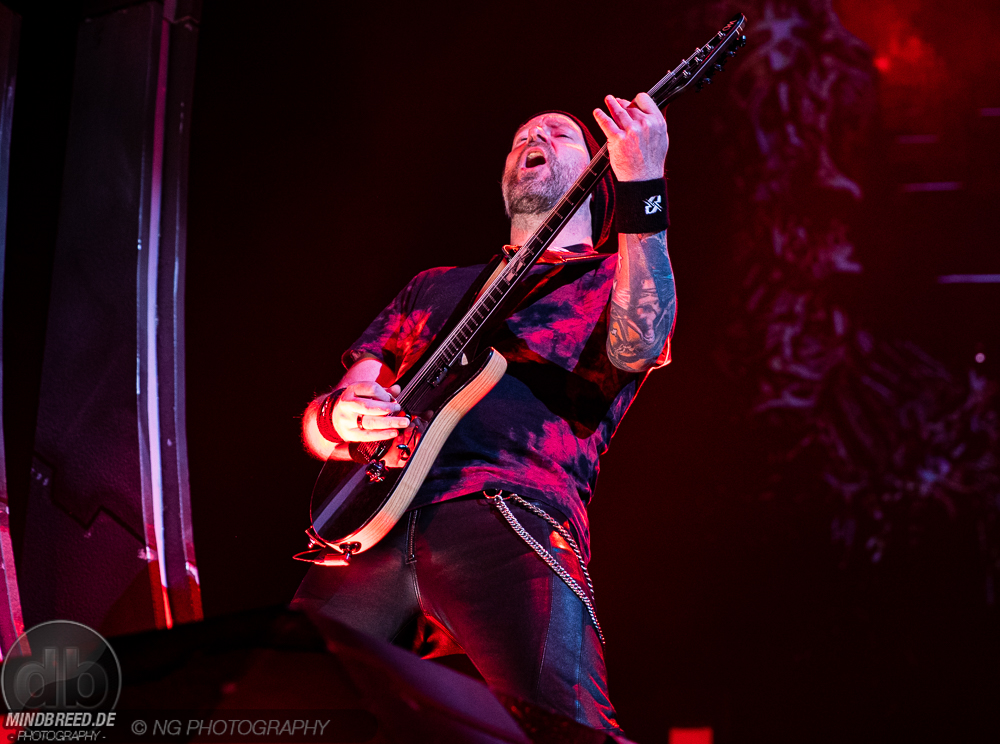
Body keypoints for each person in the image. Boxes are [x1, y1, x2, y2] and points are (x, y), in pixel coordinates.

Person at [292, 93, 675, 733]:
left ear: (600, 172)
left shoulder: (614, 276)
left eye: (559, 133)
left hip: (511, 513)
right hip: (369, 529)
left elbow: (642, 342)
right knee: (276, 705)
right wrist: (338, 416)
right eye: (523, 135)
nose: (535, 137)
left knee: (563, 727)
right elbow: (331, 420)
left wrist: (645, 184)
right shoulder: (433, 285)